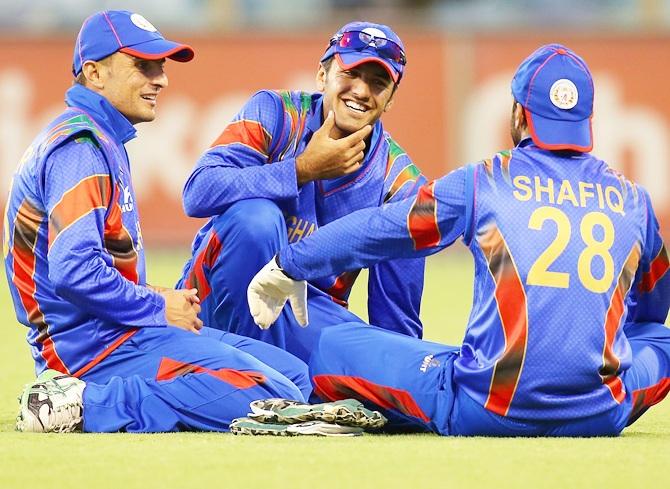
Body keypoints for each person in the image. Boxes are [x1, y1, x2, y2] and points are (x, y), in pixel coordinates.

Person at [246, 44, 670, 436]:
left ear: (519, 114)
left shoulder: (485, 182)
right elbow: (653, 310)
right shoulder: (635, 201)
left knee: (337, 344)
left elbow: (380, 231)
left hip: (484, 406)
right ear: (586, 122)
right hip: (601, 410)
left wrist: (290, 263)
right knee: (662, 340)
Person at [3, 10, 321, 434]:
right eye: (143, 65)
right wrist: (158, 307)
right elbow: (73, 271)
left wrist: (161, 299)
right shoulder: (80, 146)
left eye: (161, 66)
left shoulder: (98, 138)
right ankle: (82, 405)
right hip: (92, 354)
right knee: (269, 392)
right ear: (95, 74)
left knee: (294, 375)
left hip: (121, 334)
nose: (161, 79)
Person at [177, 22, 427, 362]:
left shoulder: (401, 187)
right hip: (213, 299)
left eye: (378, 82)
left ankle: (263, 378)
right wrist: (301, 170)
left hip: (305, 315)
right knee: (257, 219)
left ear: (391, 99)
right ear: (322, 76)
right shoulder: (275, 114)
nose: (362, 91)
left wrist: (394, 372)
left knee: (376, 356)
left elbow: (396, 319)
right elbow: (198, 191)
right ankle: (261, 381)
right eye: (350, 73)